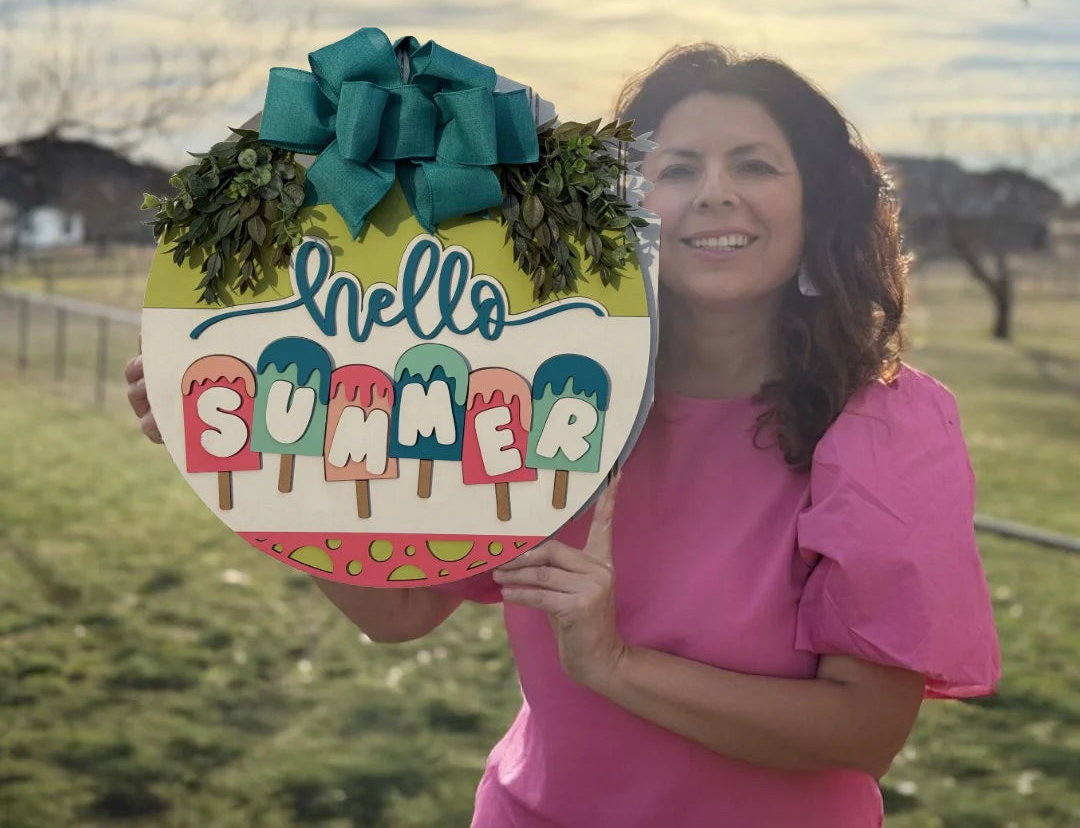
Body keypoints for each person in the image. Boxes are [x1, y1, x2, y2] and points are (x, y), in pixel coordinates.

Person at [125, 43, 1001, 827]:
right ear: (624, 207)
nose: (715, 193)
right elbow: (399, 608)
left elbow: (865, 729)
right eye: (678, 166)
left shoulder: (885, 425)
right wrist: (257, 466)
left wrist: (614, 664)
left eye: (757, 165)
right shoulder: (545, 388)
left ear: (819, 205)